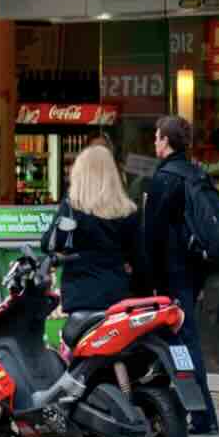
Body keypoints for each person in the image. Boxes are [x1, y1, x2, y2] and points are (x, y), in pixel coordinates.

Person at [139, 115, 219, 435]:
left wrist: (148, 282)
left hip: (169, 277)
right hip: (189, 274)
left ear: (166, 142)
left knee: (182, 345)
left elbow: (153, 236)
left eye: (158, 138)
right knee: (180, 343)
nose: (155, 143)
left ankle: (201, 415)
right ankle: (189, 411)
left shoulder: (165, 179)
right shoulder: (195, 174)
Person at [43, 143, 140, 342]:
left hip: (80, 296)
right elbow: (139, 257)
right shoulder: (127, 212)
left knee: (80, 350)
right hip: (117, 294)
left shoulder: (72, 207)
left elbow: (50, 244)